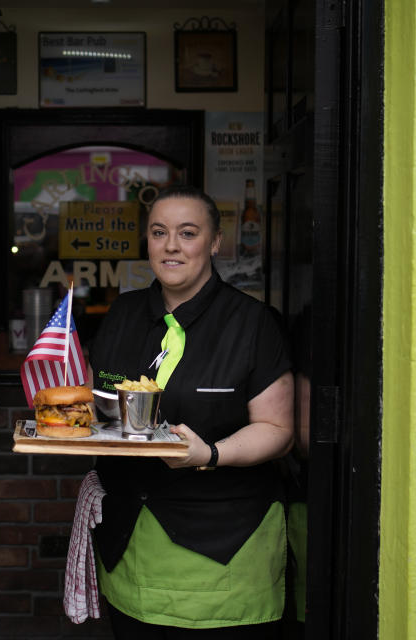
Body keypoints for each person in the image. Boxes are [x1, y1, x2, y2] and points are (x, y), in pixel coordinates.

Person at [87, 185, 295, 638]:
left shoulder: (253, 322)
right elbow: (99, 405)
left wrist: (211, 454)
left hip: (224, 548)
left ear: (215, 241)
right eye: (159, 232)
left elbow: (278, 429)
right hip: (130, 542)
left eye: (188, 232)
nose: (172, 246)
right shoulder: (122, 314)